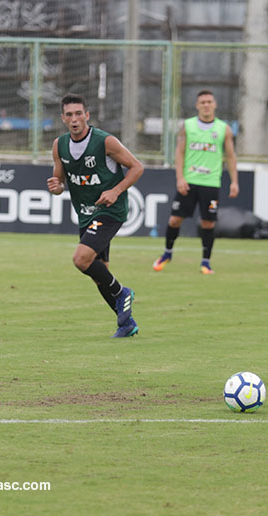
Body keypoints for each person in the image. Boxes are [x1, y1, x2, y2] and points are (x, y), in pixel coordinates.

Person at [47, 93, 144, 338]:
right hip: (86, 213)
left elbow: (137, 167)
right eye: (69, 115)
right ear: (63, 118)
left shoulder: (105, 142)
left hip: (111, 211)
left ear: (87, 115)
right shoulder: (59, 145)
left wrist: (115, 190)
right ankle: (127, 324)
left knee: (81, 259)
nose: (74, 119)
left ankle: (123, 292)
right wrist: (57, 188)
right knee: (100, 272)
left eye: (79, 113)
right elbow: (59, 181)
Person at [152, 89, 239, 274]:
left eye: (209, 102)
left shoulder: (224, 129)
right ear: (197, 106)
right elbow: (179, 152)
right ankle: (167, 253)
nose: (206, 105)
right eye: (203, 102)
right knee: (175, 219)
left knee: (208, 223)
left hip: (211, 183)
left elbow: (231, 156)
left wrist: (234, 181)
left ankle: (206, 262)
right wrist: (180, 178)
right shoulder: (188, 126)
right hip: (189, 181)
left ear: (214, 104)